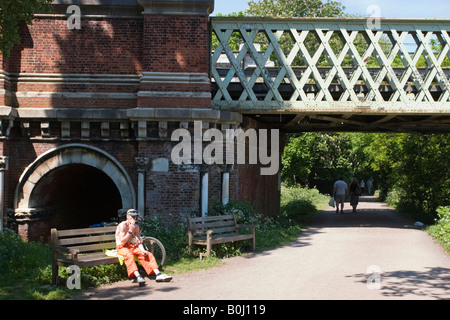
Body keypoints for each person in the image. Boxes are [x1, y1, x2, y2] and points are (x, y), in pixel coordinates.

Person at [115, 209, 172, 286]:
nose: (134, 219)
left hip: (131, 246)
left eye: (135, 217)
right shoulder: (123, 225)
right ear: (127, 216)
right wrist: (130, 231)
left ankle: (158, 274)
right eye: (132, 217)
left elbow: (139, 241)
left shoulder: (136, 227)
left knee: (148, 254)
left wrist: (142, 250)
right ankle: (138, 276)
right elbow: (122, 241)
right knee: (129, 256)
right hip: (121, 247)